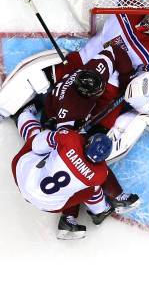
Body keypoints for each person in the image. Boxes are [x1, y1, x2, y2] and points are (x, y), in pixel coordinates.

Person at [12, 103, 136, 240]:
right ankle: (99, 211)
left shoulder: (70, 139)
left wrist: (60, 142)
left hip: (24, 175)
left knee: (36, 136)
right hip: (49, 205)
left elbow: (37, 145)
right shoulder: (99, 174)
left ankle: (23, 115)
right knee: (91, 189)